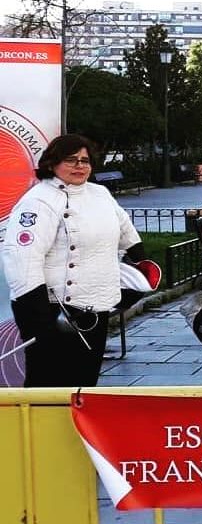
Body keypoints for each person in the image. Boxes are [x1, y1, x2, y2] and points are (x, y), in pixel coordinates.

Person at [2, 134, 143, 387]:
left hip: (95, 307)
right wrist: (42, 319)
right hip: (52, 311)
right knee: (48, 387)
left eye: (85, 160)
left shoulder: (100, 194)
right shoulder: (38, 201)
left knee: (84, 384)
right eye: (71, 160)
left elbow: (125, 231)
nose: (80, 166)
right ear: (51, 163)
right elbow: (22, 258)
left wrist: (143, 268)